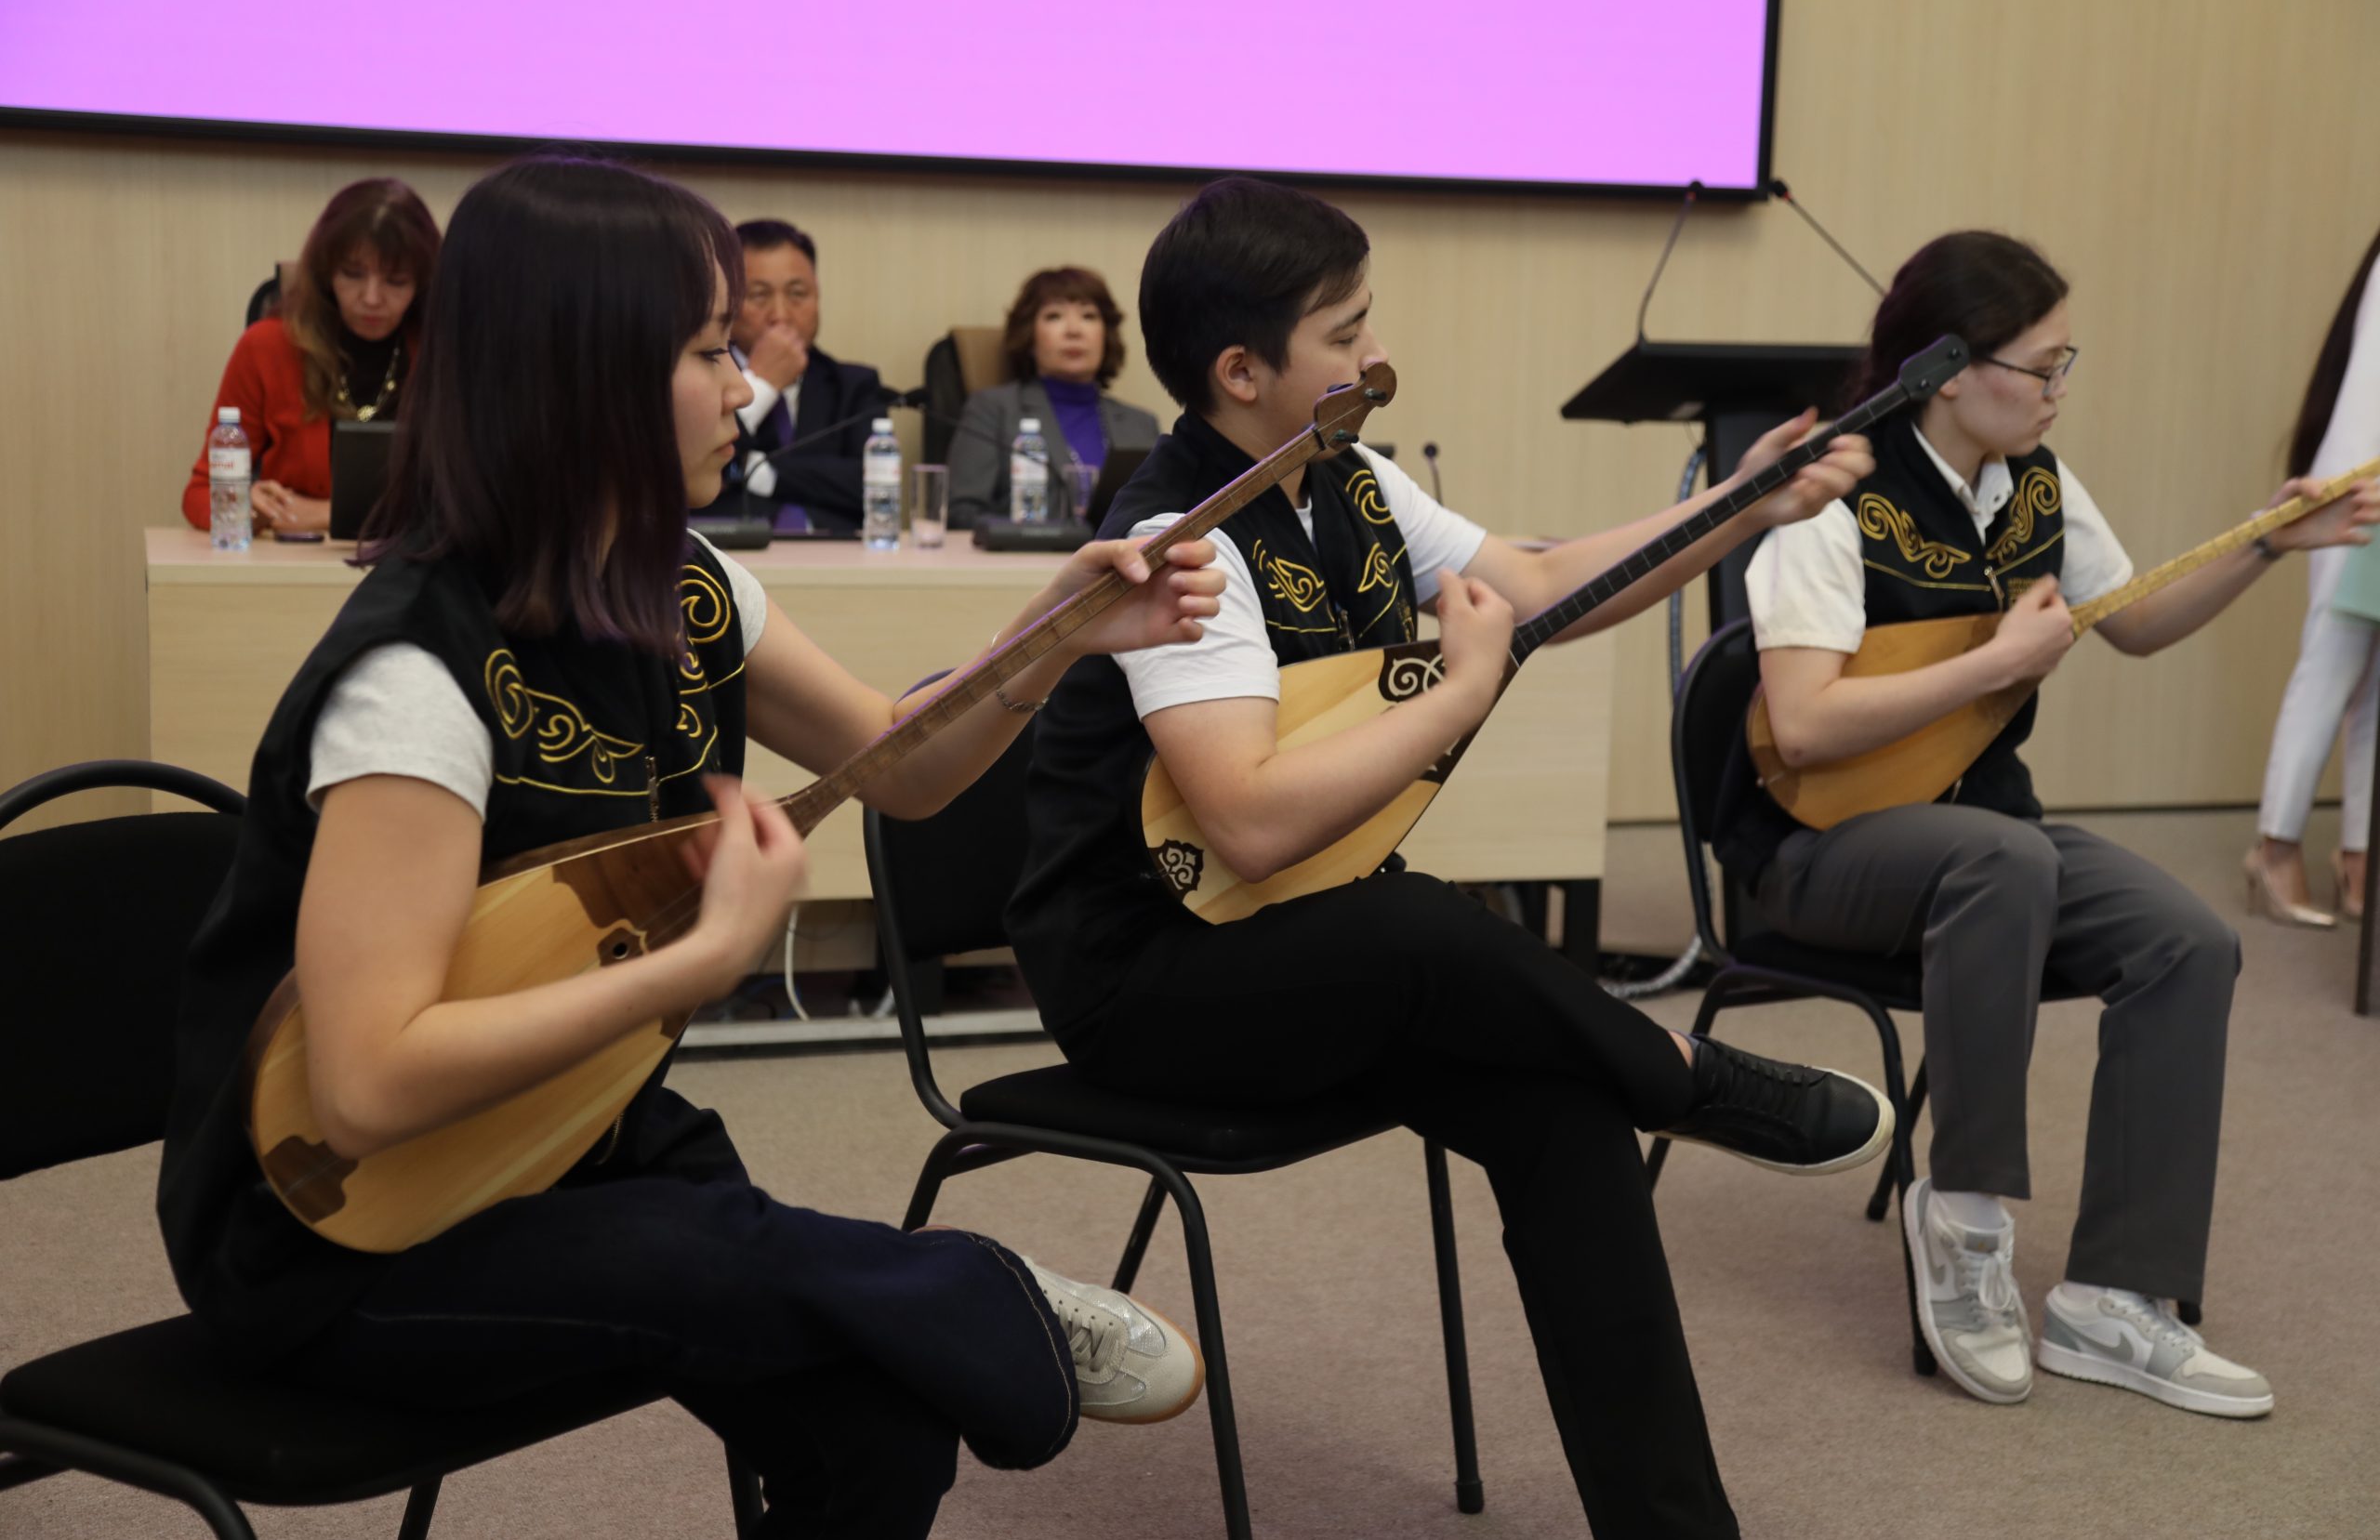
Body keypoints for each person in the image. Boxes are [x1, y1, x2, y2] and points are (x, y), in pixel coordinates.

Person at [155, 156, 1230, 1538]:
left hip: (563, 1127)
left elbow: (897, 763)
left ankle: (947, 1294)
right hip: (337, 1236)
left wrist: (1058, 634)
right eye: (712, 350)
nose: (744, 389)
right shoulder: (414, 678)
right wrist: (701, 960)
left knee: (880, 1415)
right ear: (589, 375)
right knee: (718, 1255)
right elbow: (362, 1087)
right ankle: (973, 1286)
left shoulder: (687, 582)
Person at [1006, 176, 1891, 1539]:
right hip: (1150, 979)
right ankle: (1681, 1072)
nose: (1375, 355)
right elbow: (1246, 820)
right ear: (1242, 372)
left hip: (1297, 942)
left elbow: (1536, 588)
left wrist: (1744, 501)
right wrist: (1463, 690)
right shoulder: (1185, 547)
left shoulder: (1347, 476)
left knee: (1562, 1107)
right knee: (1420, 925)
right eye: (1344, 332)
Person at [1712, 230, 2379, 1419]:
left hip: (1983, 835)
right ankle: (1963, 1217)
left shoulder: (2036, 484)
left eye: (2067, 361)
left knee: (2186, 940)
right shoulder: (1833, 494)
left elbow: (2136, 620)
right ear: (1946, 370)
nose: (2059, 388)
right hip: (1819, 849)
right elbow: (1802, 729)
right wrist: (1996, 666)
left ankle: (2113, 1295)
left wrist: (2266, 544)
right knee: (2004, 857)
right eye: (2041, 365)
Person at [180, 178, 439, 535]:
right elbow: (199, 494)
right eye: (352, 274)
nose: (372, 298)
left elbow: (473, 505)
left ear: (423, 283)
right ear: (326, 271)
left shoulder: (443, 352)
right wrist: (244, 506)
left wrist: (326, 515)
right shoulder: (267, 346)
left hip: (413, 562)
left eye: (396, 281)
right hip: (295, 563)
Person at [2251, 222, 2380, 925]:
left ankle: (2360, 855)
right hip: (2362, 484)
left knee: (2376, 682)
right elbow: (2367, 399)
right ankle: (2274, 848)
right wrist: (2353, 496)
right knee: (2333, 659)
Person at [701, 217, 892, 533]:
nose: (781, 315)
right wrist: (761, 385)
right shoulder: (699, 378)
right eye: (759, 295)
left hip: (834, 555)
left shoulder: (854, 385)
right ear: (726, 303)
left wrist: (757, 471)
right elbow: (692, 470)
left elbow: (874, 485)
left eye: (797, 293)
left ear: (817, 297)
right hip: (729, 552)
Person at [947, 266, 1161, 528]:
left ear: (1106, 334)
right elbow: (961, 513)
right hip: (1025, 555)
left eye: (1088, 316)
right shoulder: (992, 410)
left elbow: (1165, 515)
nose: (1074, 330)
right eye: (1054, 316)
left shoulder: (1142, 424)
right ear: (1029, 334)